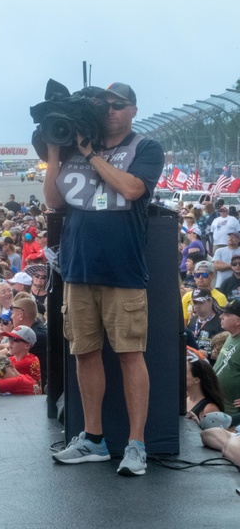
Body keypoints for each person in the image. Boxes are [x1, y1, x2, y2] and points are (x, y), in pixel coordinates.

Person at [45, 82, 164, 477]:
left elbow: (132, 188)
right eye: (104, 104)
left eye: (119, 105)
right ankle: (93, 439)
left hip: (123, 269)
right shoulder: (77, 146)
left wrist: (91, 155)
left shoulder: (145, 148)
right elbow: (54, 201)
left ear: (133, 110)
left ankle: (136, 445)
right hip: (78, 267)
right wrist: (53, 151)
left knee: (131, 355)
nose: (110, 110)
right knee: (85, 352)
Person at [213, 300, 240, 418]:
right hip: (220, 405)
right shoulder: (230, 335)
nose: (221, 317)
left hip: (233, 414)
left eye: (227, 315)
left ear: (238, 321)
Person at [185, 288, 224, 353]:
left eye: (200, 302)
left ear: (210, 301)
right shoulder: (193, 320)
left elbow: (222, 352)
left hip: (210, 361)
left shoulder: (220, 322)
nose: (197, 306)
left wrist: (208, 354)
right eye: (195, 302)